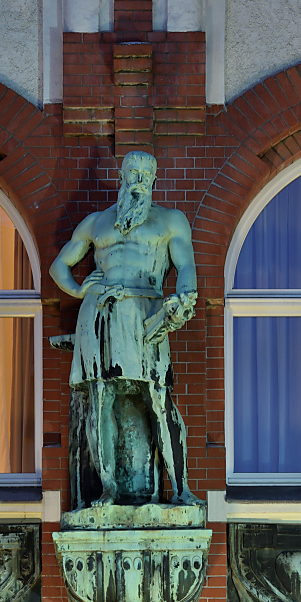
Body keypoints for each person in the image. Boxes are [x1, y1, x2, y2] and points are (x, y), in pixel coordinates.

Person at [50, 151, 202, 507]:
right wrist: (77, 289)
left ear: (154, 179)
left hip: (146, 308)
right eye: (132, 172)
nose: (139, 179)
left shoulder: (170, 221)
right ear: (122, 176)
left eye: (146, 174)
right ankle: (108, 487)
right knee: (101, 399)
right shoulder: (96, 223)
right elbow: (60, 266)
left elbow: (186, 266)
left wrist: (184, 297)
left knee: (159, 398)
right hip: (99, 313)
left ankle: (181, 488)